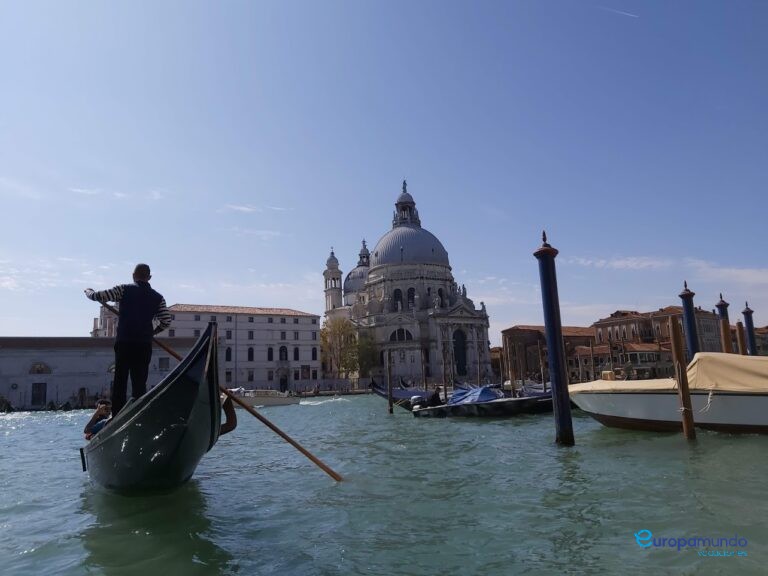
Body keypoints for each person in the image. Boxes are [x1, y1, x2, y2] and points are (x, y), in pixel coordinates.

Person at [85, 263, 172, 416]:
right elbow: (166, 321)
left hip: (124, 342)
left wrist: (89, 291)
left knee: (120, 380)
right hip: (144, 344)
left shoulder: (123, 289)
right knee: (139, 383)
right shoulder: (158, 298)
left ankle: (117, 415)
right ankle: (139, 414)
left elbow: (99, 296)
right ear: (149, 277)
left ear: (133, 275)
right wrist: (153, 332)